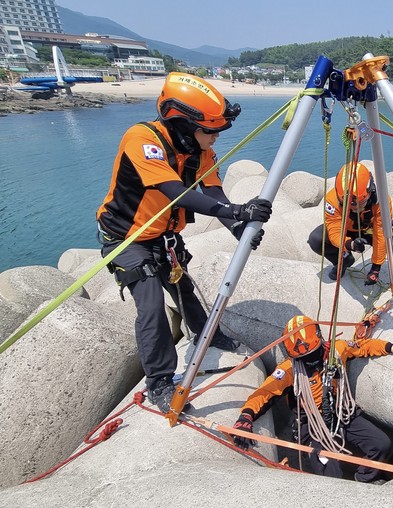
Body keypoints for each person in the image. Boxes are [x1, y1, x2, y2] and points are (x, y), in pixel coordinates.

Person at [96, 72, 273, 413]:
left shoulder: (198, 149)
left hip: (163, 237)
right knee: (151, 306)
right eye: (210, 131)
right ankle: (160, 382)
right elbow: (175, 193)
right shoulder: (142, 139)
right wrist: (238, 210)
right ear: (183, 124)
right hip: (127, 239)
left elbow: (213, 191)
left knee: (184, 289)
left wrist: (236, 226)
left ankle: (208, 336)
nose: (216, 137)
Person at [231, 315, 393, 483]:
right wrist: (246, 417)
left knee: (380, 444)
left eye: (312, 354)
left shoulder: (337, 350)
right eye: (303, 358)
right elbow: (265, 393)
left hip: (342, 413)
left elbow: (363, 346)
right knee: (328, 468)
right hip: (312, 426)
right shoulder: (289, 370)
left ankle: (363, 481)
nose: (309, 361)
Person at [307, 162, 393, 304]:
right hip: (347, 232)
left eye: (361, 202)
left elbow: (381, 232)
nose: (357, 208)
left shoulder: (381, 200)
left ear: (370, 191)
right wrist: (350, 244)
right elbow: (334, 230)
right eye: (351, 205)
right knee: (316, 239)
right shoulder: (332, 200)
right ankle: (343, 260)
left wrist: (376, 267)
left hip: (369, 230)